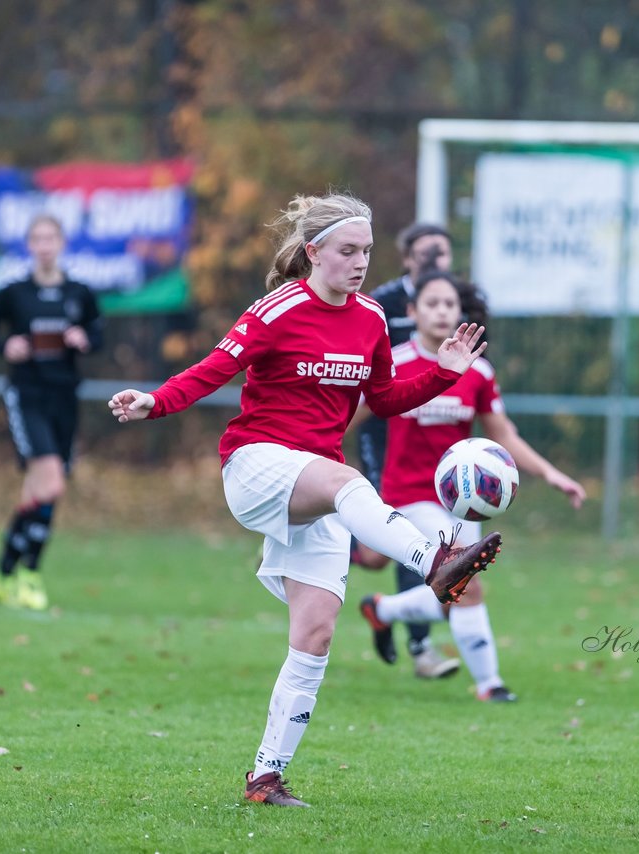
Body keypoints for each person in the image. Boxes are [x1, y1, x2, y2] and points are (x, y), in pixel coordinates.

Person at [107, 193, 503, 808]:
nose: (360, 262)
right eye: (348, 251)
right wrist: (153, 401)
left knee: (316, 633)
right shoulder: (277, 309)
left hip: (318, 483)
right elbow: (213, 370)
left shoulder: (371, 318)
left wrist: (445, 371)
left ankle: (265, 777)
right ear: (314, 252)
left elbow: (387, 398)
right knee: (347, 485)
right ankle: (434, 563)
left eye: (368, 251)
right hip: (257, 465)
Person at [356, 269, 586, 702]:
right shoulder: (395, 364)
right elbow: (353, 415)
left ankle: (382, 610)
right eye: (432, 303)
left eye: (449, 304)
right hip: (408, 496)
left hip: (466, 504)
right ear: (412, 312)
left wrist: (550, 473)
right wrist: (310, 451)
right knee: (464, 586)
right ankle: (490, 684)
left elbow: (504, 434)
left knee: (453, 593)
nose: (442, 311)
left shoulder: (476, 371)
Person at [0, 213, 104, 610]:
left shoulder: (79, 292)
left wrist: (84, 338)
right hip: (26, 395)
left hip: (63, 397)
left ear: (61, 243)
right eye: (37, 238)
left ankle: (1, 573)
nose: (45, 245)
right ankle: (30, 574)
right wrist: (6, 346)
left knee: (38, 491)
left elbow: (98, 332)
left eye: (51, 238)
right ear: (29, 245)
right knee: (51, 484)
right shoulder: (14, 292)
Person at [353, 222, 462, 680]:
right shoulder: (383, 301)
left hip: (432, 431)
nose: (435, 260)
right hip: (384, 428)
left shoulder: (459, 299)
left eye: (442, 252)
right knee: (399, 542)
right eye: (425, 253)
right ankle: (418, 644)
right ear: (406, 259)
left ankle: (415, 642)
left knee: (393, 548)